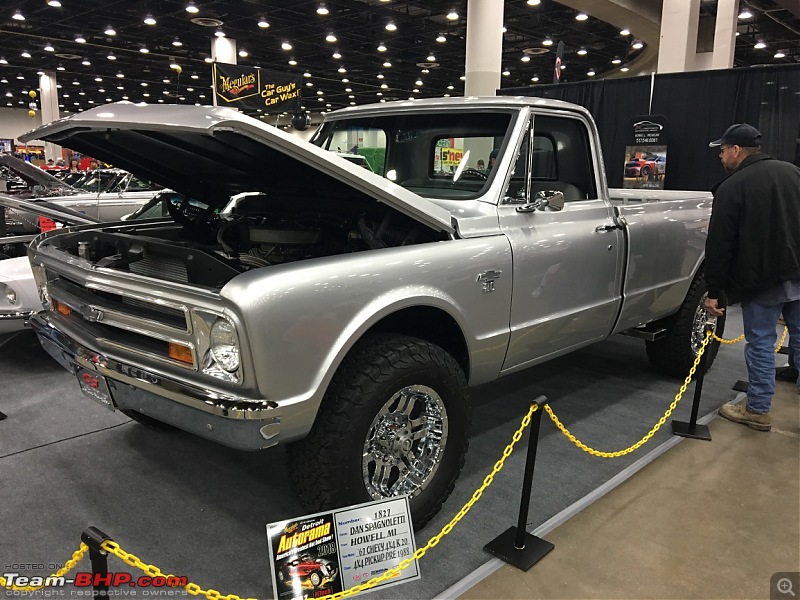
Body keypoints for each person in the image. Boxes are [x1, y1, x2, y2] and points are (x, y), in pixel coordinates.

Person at [704, 123, 800, 431]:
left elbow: (719, 244)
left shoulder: (732, 186)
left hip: (761, 279)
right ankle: (795, 371)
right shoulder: (793, 173)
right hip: (797, 272)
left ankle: (757, 409)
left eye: (722, 151)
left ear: (736, 150)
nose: (720, 157)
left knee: (760, 340)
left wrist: (714, 290)